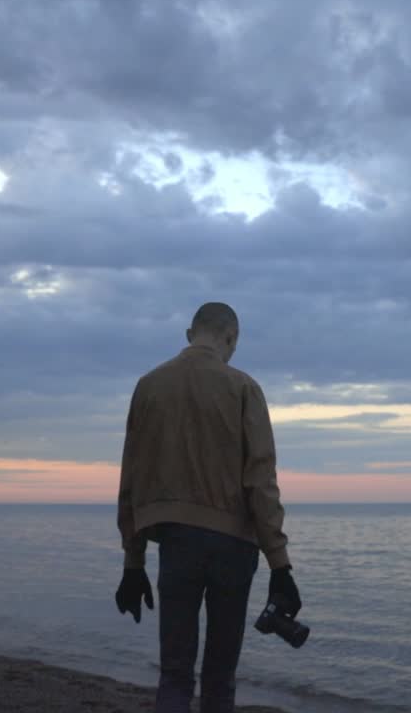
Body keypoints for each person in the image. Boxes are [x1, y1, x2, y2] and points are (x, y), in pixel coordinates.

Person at [114, 302, 302, 713]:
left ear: (189, 334)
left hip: (176, 542)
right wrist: (280, 565)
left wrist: (133, 562)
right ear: (231, 338)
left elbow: (132, 478)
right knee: (220, 675)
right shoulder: (244, 388)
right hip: (234, 547)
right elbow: (261, 481)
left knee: (175, 672)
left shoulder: (149, 386)